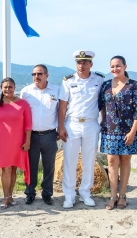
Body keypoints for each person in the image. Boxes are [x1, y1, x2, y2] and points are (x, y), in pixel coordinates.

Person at [58, 50, 104, 208]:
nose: (81, 65)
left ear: (91, 64)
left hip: (91, 124)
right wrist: (60, 126)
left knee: (89, 160)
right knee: (69, 161)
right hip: (72, 124)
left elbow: (102, 102)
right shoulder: (68, 81)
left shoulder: (99, 80)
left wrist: (103, 120)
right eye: (79, 62)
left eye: (85, 62)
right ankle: (69, 195)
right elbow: (62, 106)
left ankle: (85, 192)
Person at [98, 56, 137, 210]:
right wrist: (103, 119)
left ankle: (122, 195)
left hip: (128, 130)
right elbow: (102, 105)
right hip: (109, 130)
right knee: (111, 162)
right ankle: (112, 196)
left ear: (125, 66)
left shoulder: (133, 85)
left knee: (124, 162)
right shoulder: (105, 86)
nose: (115, 69)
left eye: (118, 66)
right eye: (112, 66)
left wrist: (132, 132)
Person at [0, 77, 32, 209]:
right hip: (1, 142)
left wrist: (28, 141)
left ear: (14, 87)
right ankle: (5, 197)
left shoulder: (23, 104)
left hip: (18, 141)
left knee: (13, 169)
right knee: (6, 169)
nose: (8, 89)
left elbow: (28, 125)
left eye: (10, 87)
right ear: (1, 88)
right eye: (5, 87)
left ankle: (10, 196)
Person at [20, 64, 60, 205]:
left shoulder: (56, 90)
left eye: (40, 74)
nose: (36, 77)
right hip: (32, 136)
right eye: (34, 74)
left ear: (47, 75)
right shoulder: (26, 92)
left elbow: (61, 112)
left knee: (49, 166)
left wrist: (61, 129)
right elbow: (22, 115)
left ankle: (47, 193)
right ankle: (30, 193)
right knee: (31, 166)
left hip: (50, 134)